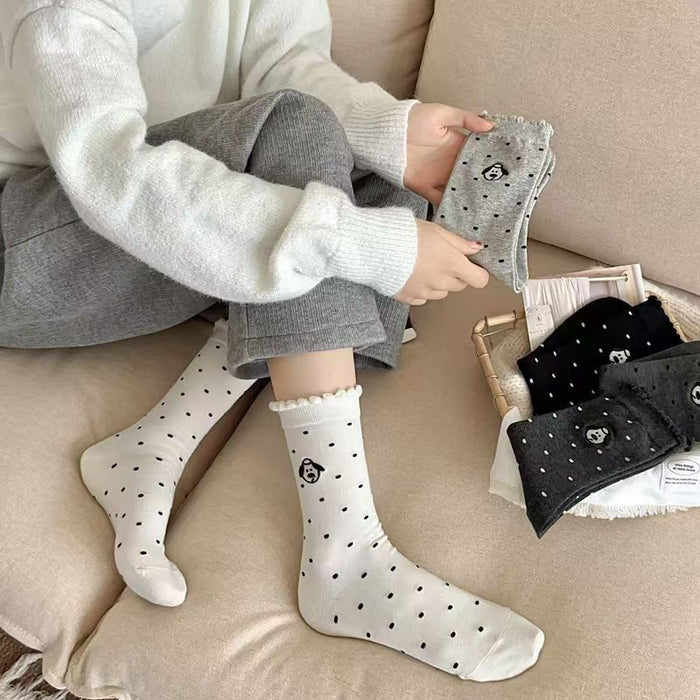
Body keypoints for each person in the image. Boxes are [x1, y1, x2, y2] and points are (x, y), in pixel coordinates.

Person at [0, 0, 543, 681]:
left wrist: (390, 132)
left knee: (378, 176)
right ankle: (345, 553)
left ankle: (153, 444)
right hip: (31, 247)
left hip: (154, 224)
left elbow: (280, 63)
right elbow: (113, 174)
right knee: (306, 145)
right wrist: (366, 246)